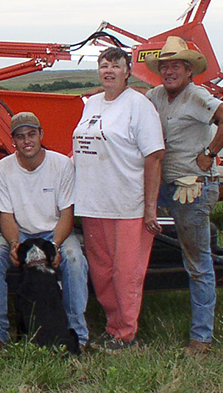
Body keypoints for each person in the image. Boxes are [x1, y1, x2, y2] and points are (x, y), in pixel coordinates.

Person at [73, 47, 164, 351]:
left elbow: (154, 157)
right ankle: (113, 325)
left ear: (128, 71)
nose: (109, 70)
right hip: (92, 203)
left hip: (126, 205)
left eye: (116, 65)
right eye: (104, 65)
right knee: (101, 271)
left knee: (126, 273)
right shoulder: (92, 104)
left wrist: (150, 208)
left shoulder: (139, 106)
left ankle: (126, 334)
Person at [0, 111, 89, 351]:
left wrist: (56, 246)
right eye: (20, 136)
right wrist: (13, 245)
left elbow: (67, 214)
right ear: (13, 141)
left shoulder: (61, 164)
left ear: (41, 135)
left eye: (32, 134)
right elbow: (6, 216)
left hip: (54, 234)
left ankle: (77, 333)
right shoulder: (3, 168)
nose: (26, 141)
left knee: (74, 261)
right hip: (18, 234)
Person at [145, 36, 222, 356]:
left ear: (189, 70)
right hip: (161, 183)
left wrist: (210, 152)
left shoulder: (198, 96)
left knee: (197, 263)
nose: (169, 71)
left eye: (176, 65)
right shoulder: (155, 96)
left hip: (193, 187)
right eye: (164, 66)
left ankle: (201, 338)